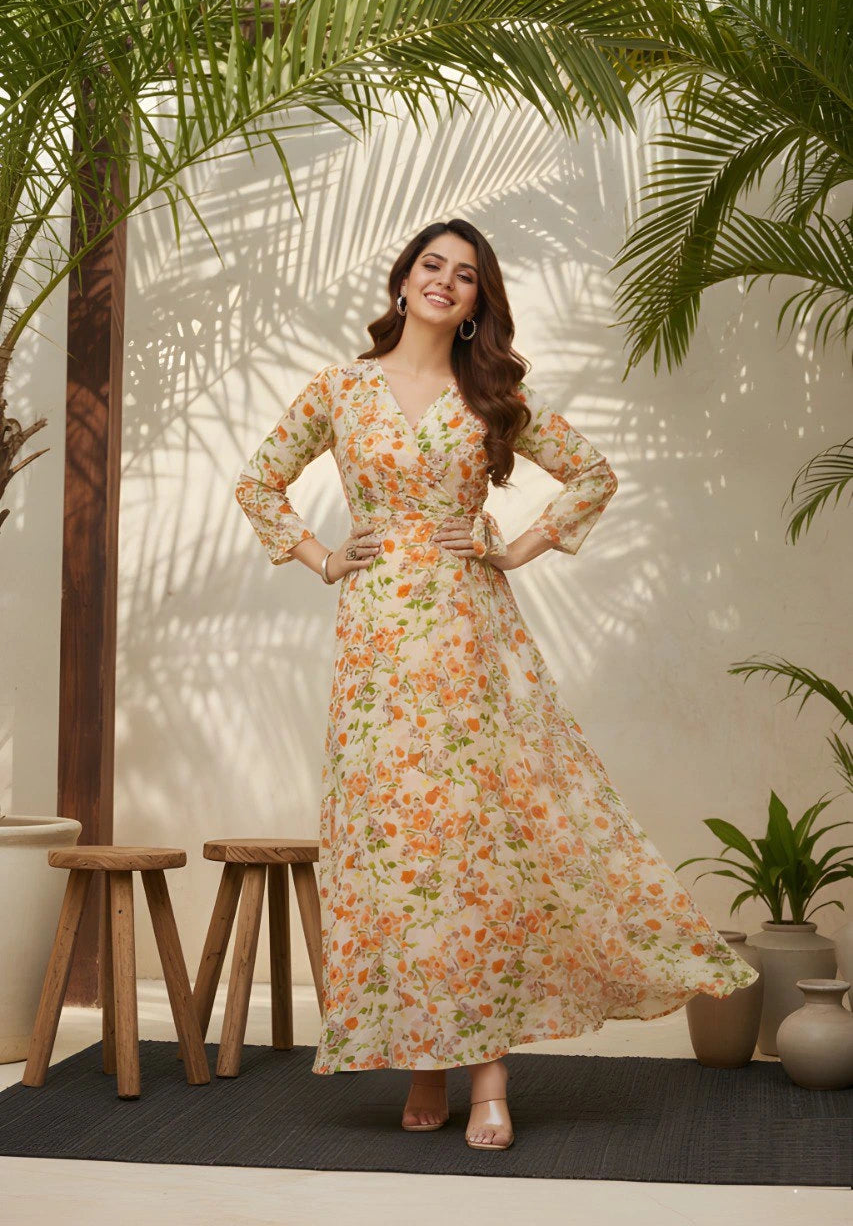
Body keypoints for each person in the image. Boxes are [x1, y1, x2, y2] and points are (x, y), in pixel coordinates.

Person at [235, 218, 760, 1152]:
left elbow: (592, 475)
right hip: (375, 657)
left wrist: (514, 545)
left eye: (465, 275)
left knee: (472, 849)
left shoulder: (488, 397)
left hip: (470, 642)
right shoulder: (340, 388)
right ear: (401, 282)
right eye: (431, 266)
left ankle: (487, 1077)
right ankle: (423, 1060)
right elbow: (258, 484)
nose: (445, 282)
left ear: (479, 304)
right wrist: (319, 556)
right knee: (399, 850)